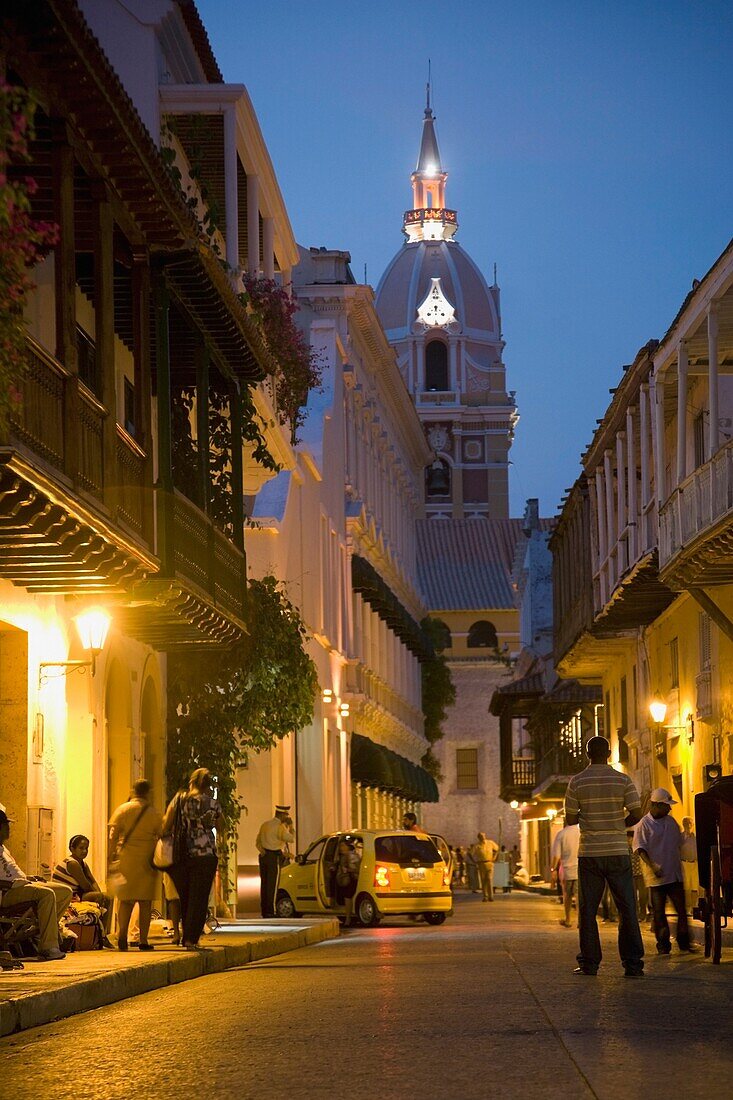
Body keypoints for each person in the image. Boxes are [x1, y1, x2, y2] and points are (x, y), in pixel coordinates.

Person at [564, 735, 644, 977]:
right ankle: (633, 965)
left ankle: (589, 963)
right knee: (627, 907)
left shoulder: (577, 782)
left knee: (588, 910)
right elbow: (637, 813)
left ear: (587, 754)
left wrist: (589, 818)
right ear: (608, 753)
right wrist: (618, 824)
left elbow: (569, 819)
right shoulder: (622, 780)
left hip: (590, 853)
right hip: (618, 851)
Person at [0, 805, 72, 960]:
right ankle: (49, 946)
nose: (9, 828)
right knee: (46, 894)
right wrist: (13, 883)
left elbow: (10, 871)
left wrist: (29, 878)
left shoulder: (4, 848)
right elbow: (6, 878)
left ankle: (42, 931)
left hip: (21, 885)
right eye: (6, 825)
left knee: (65, 892)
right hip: (6, 892)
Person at [164, 768, 222, 951]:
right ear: (207, 786)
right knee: (200, 897)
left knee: (186, 896)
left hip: (183, 854)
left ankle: (184, 934)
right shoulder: (212, 803)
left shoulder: (179, 799)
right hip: (206, 855)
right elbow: (222, 827)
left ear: (192, 782)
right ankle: (191, 938)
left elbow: (166, 824)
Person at [634, 788, 695, 956]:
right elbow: (640, 849)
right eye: (667, 805)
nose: (670, 808)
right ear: (657, 805)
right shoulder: (643, 825)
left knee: (682, 910)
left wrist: (688, 836)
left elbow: (680, 843)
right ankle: (663, 945)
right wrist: (653, 866)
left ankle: (684, 942)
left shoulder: (671, 822)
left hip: (674, 874)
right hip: (657, 877)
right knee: (659, 913)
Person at [108, 779, 162, 952]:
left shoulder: (123, 809)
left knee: (126, 900)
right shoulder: (153, 812)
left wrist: (110, 856)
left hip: (127, 859)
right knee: (145, 902)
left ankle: (122, 936)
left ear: (133, 791)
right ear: (148, 792)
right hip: (147, 860)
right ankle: (143, 940)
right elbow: (161, 833)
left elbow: (113, 834)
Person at [52, 834, 113, 946]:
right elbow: (86, 885)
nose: (84, 851)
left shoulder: (82, 863)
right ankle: (102, 936)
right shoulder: (72, 863)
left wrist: (99, 894)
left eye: (86, 848)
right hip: (68, 898)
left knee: (106, 897)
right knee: (103, 898)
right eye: (81, 848)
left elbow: (92, 880)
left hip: (78, 895)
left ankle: (103, 934)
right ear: (72, 849)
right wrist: (99, 896)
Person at [255, 804, 295, 918]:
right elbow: (291, 839)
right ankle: (271, 911)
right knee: (272, 885)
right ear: (282, 815)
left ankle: (264, 910)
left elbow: (257, 842)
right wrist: (291, 826)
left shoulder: (265, 825)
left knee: (264, 884)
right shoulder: (280, 827)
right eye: (286, 815)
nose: (287, 817)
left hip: (263, 856)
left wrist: (262, 850)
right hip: (274, 857)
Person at [551, 817, 579, 927]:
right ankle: (580, 921)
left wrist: (553, 869)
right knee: (578, 895)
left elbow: (556, 856)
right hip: (579, 869)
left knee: (567, 895)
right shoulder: (580, 833)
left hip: (566, 870)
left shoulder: (561, 834)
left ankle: (568, 919)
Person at [334, 838, 361, 927]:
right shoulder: (342, 856)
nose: (341, 848)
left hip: (352, 879)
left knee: (348, 898)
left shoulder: (352, 856)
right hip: (345, 879)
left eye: (343, 846)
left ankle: (348, 918)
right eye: (340, 846)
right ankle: (348, 917)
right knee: (346, 898)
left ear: (347, 847)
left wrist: (347, 870)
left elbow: (357, 868)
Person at [627, 829, 648, 921]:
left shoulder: (638, 848)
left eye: (630, 839)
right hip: (631, 875)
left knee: (643, 896)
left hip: (640, 874)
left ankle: (642, 913)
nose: (628, 841)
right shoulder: (626, 849)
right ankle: (635, 915)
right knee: (633, 897)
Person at [472, 832, 499, 902]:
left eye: (483, 836)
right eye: (481, 836)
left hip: (489, 863)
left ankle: (491, 896)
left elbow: (496, 849)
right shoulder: (477, 846)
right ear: (478, 838)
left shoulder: (490, 843)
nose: (483, 837)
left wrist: (494, 857)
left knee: (489, 879)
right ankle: (485, 896)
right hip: (481, 864)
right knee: (483, 880)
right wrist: (475, 861)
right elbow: (471, 853)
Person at [680, 816, 699, 914]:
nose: (688, 826)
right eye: (686, 823)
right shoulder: (680, 837)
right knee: (686, 887)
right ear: (683, 825)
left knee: (694, 886)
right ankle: (686, 908)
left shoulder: (696, 837)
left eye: (690, 823)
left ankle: (694, 907)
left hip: (694, 863)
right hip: (684, 863)